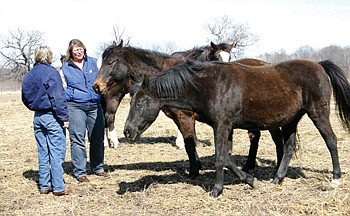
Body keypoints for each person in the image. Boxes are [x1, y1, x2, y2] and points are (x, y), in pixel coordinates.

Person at [22, 46, 72, 196]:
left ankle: (44, 185)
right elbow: (57, 97)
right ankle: (58, 187)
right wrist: (64, 117)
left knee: (43, 152)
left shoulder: (29, 75)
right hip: (52, 116)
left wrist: (34, 106)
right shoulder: (51, 73)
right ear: (48, 57)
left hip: (38, 117)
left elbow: (25, 97)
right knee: (56, 152)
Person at [60, 39, 107, 182]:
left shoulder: (95, 63)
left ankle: (98, 167)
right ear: (71, 52)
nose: (79, 52)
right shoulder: (65, 68)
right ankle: (80, 172)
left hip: (94, 105)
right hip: (75, 106)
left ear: (84, 49)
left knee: (97, 137)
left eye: (81, 49)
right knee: (78, 139)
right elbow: (63, 88)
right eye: (75, 50)